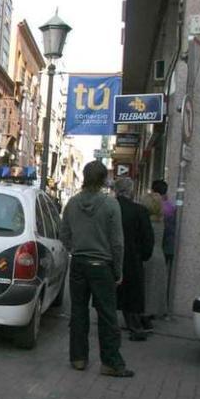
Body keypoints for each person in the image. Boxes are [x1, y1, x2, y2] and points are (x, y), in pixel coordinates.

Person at [60, 161, 133, 378]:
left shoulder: (72, 204)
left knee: (78, 312)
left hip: (79, 264)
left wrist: (75, 249)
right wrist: (118, 270)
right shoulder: (111, 205)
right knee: (107, 315)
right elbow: (118, 242)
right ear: (104, 179)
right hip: (102, 266)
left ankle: (78, 358)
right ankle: (110, 363)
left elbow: (64, 234)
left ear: (83, 176)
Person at [113, 178, 154, 341]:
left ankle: (109, 327)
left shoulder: (108, 207)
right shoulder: (140, 211)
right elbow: (147, 239)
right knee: (132, 295)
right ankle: (135, 327)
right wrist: (142, 255)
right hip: (132, 259)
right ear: (130, 191)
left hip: (110, 258)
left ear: (116, 190)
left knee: (110, 294)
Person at [141, 183, 169, 328]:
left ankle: (143, 318)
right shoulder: (161, 220)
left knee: (145, 288)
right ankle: (150, 316)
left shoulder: (146, 222)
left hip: (146, 257)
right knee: (155, 289)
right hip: (159, 255)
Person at [153, 180, 176, 318]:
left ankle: (155, 308)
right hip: (168, 248)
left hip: (157, 248)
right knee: (163, 280)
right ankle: (163, 309)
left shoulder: (155, 206)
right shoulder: (171, 207)